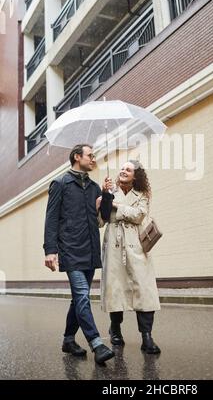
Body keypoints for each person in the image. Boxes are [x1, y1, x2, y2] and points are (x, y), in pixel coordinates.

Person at [43, 144, 115, 365]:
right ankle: (96, 343)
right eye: (90, 155)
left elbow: (102, 219)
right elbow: (52, 218)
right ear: (77, 157)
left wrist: (106, 194)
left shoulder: (94, 187)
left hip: (90, 249)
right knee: (83, 295)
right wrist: (50, 250)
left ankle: (68, 340)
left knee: (78, 298)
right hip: (70, 249)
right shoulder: (60, 183)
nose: (94, 159)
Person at [99, 160, 161, 354]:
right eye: (122, 168)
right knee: (115, 288)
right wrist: (104, 196)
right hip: (114, 245)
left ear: (136, 175)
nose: (124, 171)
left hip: (136, 245)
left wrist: (116, 205)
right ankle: (115, 330)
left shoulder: (142, 194)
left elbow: (139, 216)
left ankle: (147, 337)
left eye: (129, 169)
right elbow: (101, 221)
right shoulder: (108, 192)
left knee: (144, 288)